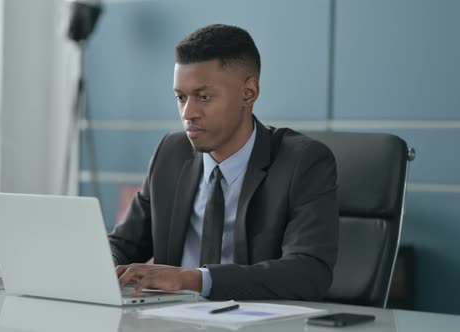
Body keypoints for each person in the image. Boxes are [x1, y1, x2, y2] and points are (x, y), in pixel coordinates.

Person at [109, 24, 339, 301]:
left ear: (249, 93)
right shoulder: (170, 152)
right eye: (181, 97)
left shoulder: (303, 162)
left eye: (203, 97)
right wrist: (100, 266)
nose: (188, 113)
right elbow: (124, 244)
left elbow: (309, 273)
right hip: (168, 321)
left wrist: (192, 279)